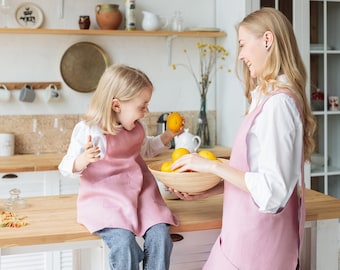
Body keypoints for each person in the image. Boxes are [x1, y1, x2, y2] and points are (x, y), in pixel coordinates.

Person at [170, 7, 316, 270]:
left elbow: (272, 193)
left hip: (256, 249)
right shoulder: (268, 98)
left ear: (267, 40)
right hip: (245, 242)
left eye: (242, 45)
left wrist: (213, 166)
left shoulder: (277, 105)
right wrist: (208, 188)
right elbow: (255, 175)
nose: (240, 56)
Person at [58, 64, 181, 270]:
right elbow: (65, 166)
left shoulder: (135, 128)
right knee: (124, 244)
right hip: (105, 199)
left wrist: (168, 135)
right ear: (117, 106)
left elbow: (146, 149)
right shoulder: (90, 131)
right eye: (142, 106)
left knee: (161, 236)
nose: (146, 111)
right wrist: (83, 160)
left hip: (140, 196)